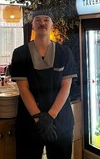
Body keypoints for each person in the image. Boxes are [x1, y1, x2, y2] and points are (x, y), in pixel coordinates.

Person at [10, 9, 77, 159]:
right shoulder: (20, 53)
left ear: (52, 24)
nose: (42, 23)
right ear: (32, 25)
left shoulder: (65, 52)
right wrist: (39, 118)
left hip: (60, 121)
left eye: (46, 19)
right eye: (38, 20)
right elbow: (23, 88)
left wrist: (50, 116)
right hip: (30, 122)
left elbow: (66, 87)